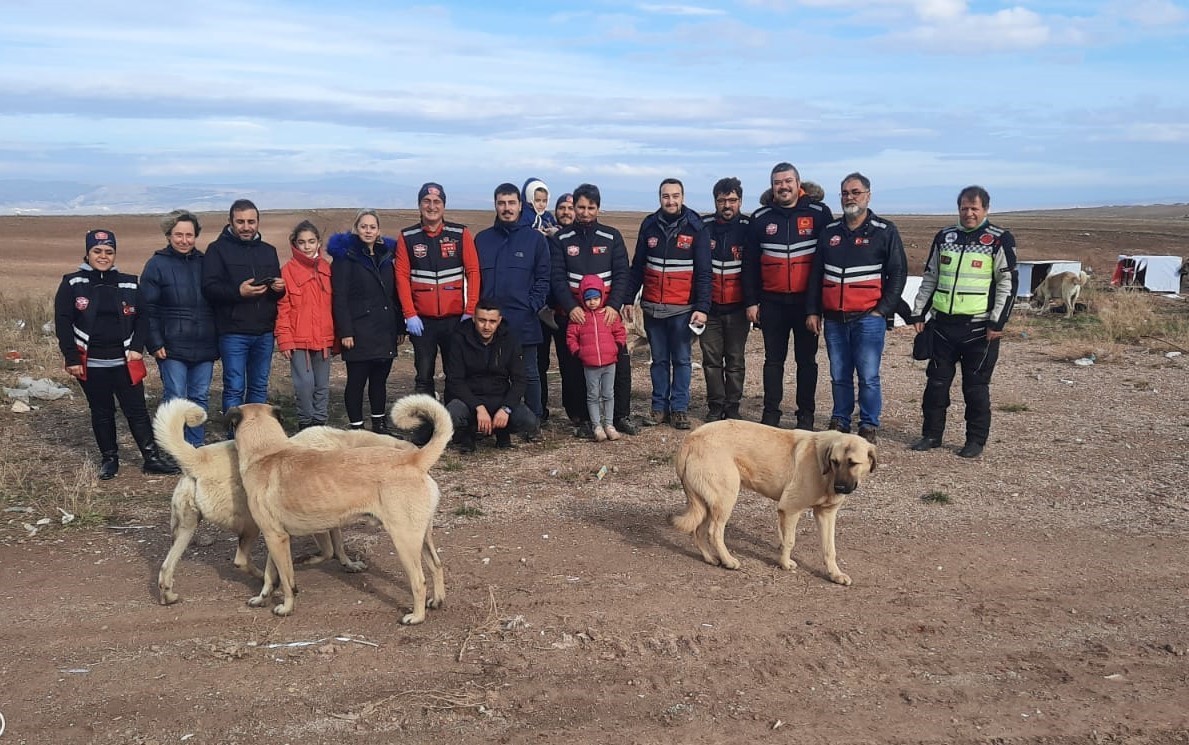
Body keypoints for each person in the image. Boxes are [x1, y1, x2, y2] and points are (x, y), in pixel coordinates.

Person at [55, 230, 179, 479]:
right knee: (101, 412)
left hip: (125, 361)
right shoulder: (72, 283)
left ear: (115, 254)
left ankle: (151, 458)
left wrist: (137, 347)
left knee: (137, 410)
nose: (103, 256)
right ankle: (110, 459)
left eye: (109, 252)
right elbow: (63, 322)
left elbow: (143, 317)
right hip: (91, 363)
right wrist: (71, 358)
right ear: (88, 254)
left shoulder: (129, 282)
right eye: (97, 251)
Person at [910, 185, 1018, 458]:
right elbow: (931, 276)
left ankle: (975, 440)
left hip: (979, 329)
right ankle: (932, 435)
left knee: (975, 388)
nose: (969, 214)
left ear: (986, 210)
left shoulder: (998, 239)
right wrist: (918, 311)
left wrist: (998, 322)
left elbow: (1008, 282)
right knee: (935, 385)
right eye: (964, 208)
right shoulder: (945, 236)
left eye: (974, 209)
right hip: (942, 326)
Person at [805, 173, 908, 443]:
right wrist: (813, 310)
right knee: (839, 374)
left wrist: (882, 309)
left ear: (868, 195)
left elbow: (898, 273)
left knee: (868, 375)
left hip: (868, 317)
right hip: (834, 318)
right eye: (845, 193)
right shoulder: (829, 232)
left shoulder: (884, 231)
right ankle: (840, 419)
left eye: (855, 192)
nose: (849, 197)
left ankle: (868, 424)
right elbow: (817, 274)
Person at [743, 162, 834, 429]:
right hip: (772, 303)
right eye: (777, 182)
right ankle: (771, 414)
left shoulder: (819, 213)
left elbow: (826, 260)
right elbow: (749, 263)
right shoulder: (760, 217)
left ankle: (805, 415)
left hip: (806, 304)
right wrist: (751, 302)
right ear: (772, 187)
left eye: (787, 181)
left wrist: (816, 307)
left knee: (806, 361)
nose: (783, 186)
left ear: (798, 183)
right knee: (773, 361)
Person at [549, 183, 639, 438]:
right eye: (581, 207)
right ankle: (583, 418)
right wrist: (571, 307)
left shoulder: (612, 237)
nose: (585, 212)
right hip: (577, 316)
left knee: (619, 363)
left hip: (607, 317)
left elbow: (623, 274)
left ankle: (620, 415)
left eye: (591, 207)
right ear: (574, 206)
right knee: (575, 367)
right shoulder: (562, 239)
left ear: (598, 208)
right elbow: (557, 277)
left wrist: (613, 306)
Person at [626, 178, 711, 429]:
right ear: (659, 198)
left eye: (675, 196)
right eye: (666, 196)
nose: (670, 201)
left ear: (682, 197)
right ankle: (658, 408)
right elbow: (638, 266)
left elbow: (705, 272)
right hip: (653, 307)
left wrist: (702, 307)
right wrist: (628, 298)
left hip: (683, 309)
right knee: (659, 360)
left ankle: (680, 409)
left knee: (682, 360)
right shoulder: (649, 225)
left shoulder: (696, 227)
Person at [139, 209, 218, 447]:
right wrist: (154, 342)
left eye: (189, 235)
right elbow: (147, 307)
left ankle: (195, 447)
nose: (184, 240)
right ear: (168, 236)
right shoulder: (156, 265)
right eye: (178, 235)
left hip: (204, 343)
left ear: (196, 236)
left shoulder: (206, 263)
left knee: (199, 397)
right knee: (175, 396)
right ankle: (172, 446)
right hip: (171, 345)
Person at [395, 182, 481, 399]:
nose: (431, 206)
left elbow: (473, 272)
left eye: (437, 202)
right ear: (419, 205)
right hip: (422, 322)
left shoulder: (460, 234)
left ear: (443, 205)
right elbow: (402, 278)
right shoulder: (408, 237)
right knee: (424, 375)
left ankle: (456, 424)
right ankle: (425, 425)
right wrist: (409, 314)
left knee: (457, 373)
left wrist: (470, 309)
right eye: (426, 201)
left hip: (456, 320)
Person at [201, 199, 285, 420]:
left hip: (264, 332)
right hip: (233, 332)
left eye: (251, 221)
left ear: (258, 222)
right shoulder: (217, 250)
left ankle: (256, 437)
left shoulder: (269, 251)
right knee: (235, 387)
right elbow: (209, 288)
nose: (246, 227)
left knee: (258, 387)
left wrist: (278, 289)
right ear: (230, 222)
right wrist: (238, 292)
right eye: (240, 222)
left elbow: (275, 293)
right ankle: (234, 440)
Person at [475, 183, 551, 418]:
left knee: (529, 372)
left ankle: (534, 419)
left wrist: (532, 306)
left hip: (523, 319)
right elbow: (474, 278)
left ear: (520, 205)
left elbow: (543, 277)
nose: (507, 208)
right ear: (495, 205)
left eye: (511, 203)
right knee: (489, 371)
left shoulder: (535, 240)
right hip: (489, 322)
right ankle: (496, 418)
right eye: (501, 203)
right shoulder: (482, 240)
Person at [329, 209, 402, 432]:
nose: (368, 231)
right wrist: (346, 332)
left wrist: (399, 326)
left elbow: (395, 295)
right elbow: (339, 298)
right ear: (356, 228)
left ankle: (379, 424)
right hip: (359, 330)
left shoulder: (387, 256)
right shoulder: (345, 257)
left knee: (380, 380)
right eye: (364, 226)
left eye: (372, 227)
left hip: (384, 329)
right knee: (357, 381)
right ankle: (357, 427)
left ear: (378, 230)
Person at [444, 299, 540, 452]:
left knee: (528, 421)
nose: (487, 326)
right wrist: (478, 407)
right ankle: (467, 433)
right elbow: (455, 380)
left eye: (492, 321)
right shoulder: (459, 338)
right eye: (482, 320)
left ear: (499, 320)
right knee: (451, 415)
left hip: (499, 396)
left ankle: (501, 431)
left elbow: (520, 379)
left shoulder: (510, 339)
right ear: (474, 318)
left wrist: (506, 408)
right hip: (469, 398)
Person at [276, 220, 336, 430]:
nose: (307, 246)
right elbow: (283, 307)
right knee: (304, 384)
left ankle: (319, 423)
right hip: (298, 339)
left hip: (324, 337)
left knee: (322, 384)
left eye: (311, 241)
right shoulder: (287, 271)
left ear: (318, 242)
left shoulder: (327, 269)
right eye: (302, 242)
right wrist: (284, 339)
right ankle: (305, 423)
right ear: (295, 244)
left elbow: (334, 305)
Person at [699, 177, 751, 421]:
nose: (727, 205)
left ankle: (733, 405)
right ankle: (715, 405)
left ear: (740, 201)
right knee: (710, 360)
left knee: (735, 359)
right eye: (722, 201)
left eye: (732, 200)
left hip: (738, 308)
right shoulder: (703, 226)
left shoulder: (750, 227)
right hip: (708, 309)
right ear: (715, 202)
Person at [566, 275, 628, 441]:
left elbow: (620, 332)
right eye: (588, 299)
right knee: (593, 395)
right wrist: (578, 352)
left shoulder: (608, 314)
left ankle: (609, 424)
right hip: (590, 364)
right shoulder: (579, 318)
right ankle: (596, 425)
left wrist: (618, 347)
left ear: (602, 296)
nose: (592, 302)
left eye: (595, 298)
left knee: (608, 394)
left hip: (609, 362)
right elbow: (571, 337)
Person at [537, 191, 577, 422]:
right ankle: (539, 411)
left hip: (567, 311)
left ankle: (574, 411)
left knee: (569, 362)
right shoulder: (543, 233)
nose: (566, 212)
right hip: (542, 311)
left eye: (570, 208)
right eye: (562, 207)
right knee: (539, 362)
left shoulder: (578, 238)